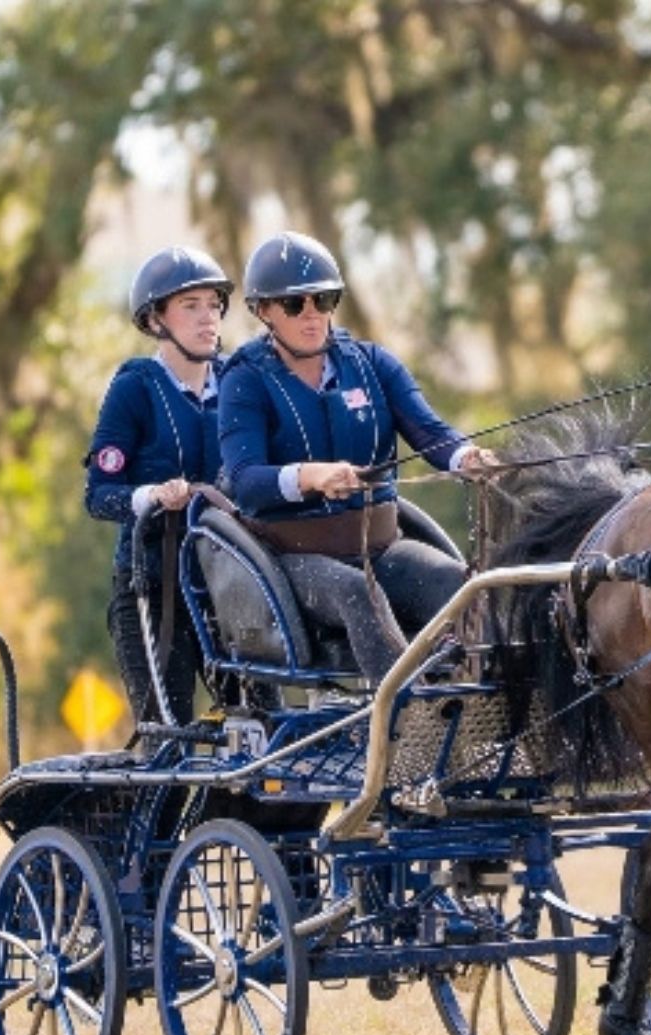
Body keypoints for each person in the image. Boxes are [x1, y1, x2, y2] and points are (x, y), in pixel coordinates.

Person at [217, 230, 492, 681]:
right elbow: (245, 481)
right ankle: (410, 717)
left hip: (381, 545)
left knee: (462, 586)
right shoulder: (244, 380)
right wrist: (309, 476)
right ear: (264, 311)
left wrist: (466, 457)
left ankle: (484, 697)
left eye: (323, 301)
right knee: (357, 594)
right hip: (295, 560)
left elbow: (430, 432)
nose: (311, 315)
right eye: (294, 304)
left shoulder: (372, 363)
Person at [84, 245, 231, 727]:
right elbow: (99, 494)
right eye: (191, 306)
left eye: (214, 305)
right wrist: (152, 496)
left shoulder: (237, 383)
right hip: (151, 588)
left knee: (264, 733)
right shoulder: (136, 387)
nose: (208, 318)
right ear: (155, 321)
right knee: (171, 742)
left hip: (230, 590)